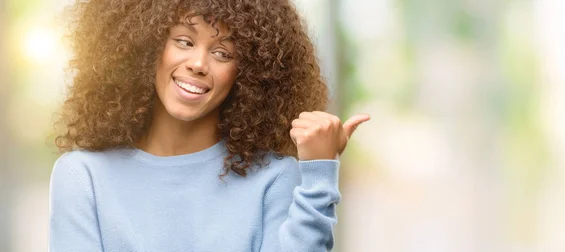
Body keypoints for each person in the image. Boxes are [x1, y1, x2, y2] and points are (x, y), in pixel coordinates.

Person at [49, 0, 369, 251]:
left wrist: (319, 173)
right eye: (184, 41)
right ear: (144, 46)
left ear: (249, 73)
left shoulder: (274, 180)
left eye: (222, 52)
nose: (199, 64)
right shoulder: (83, 177)